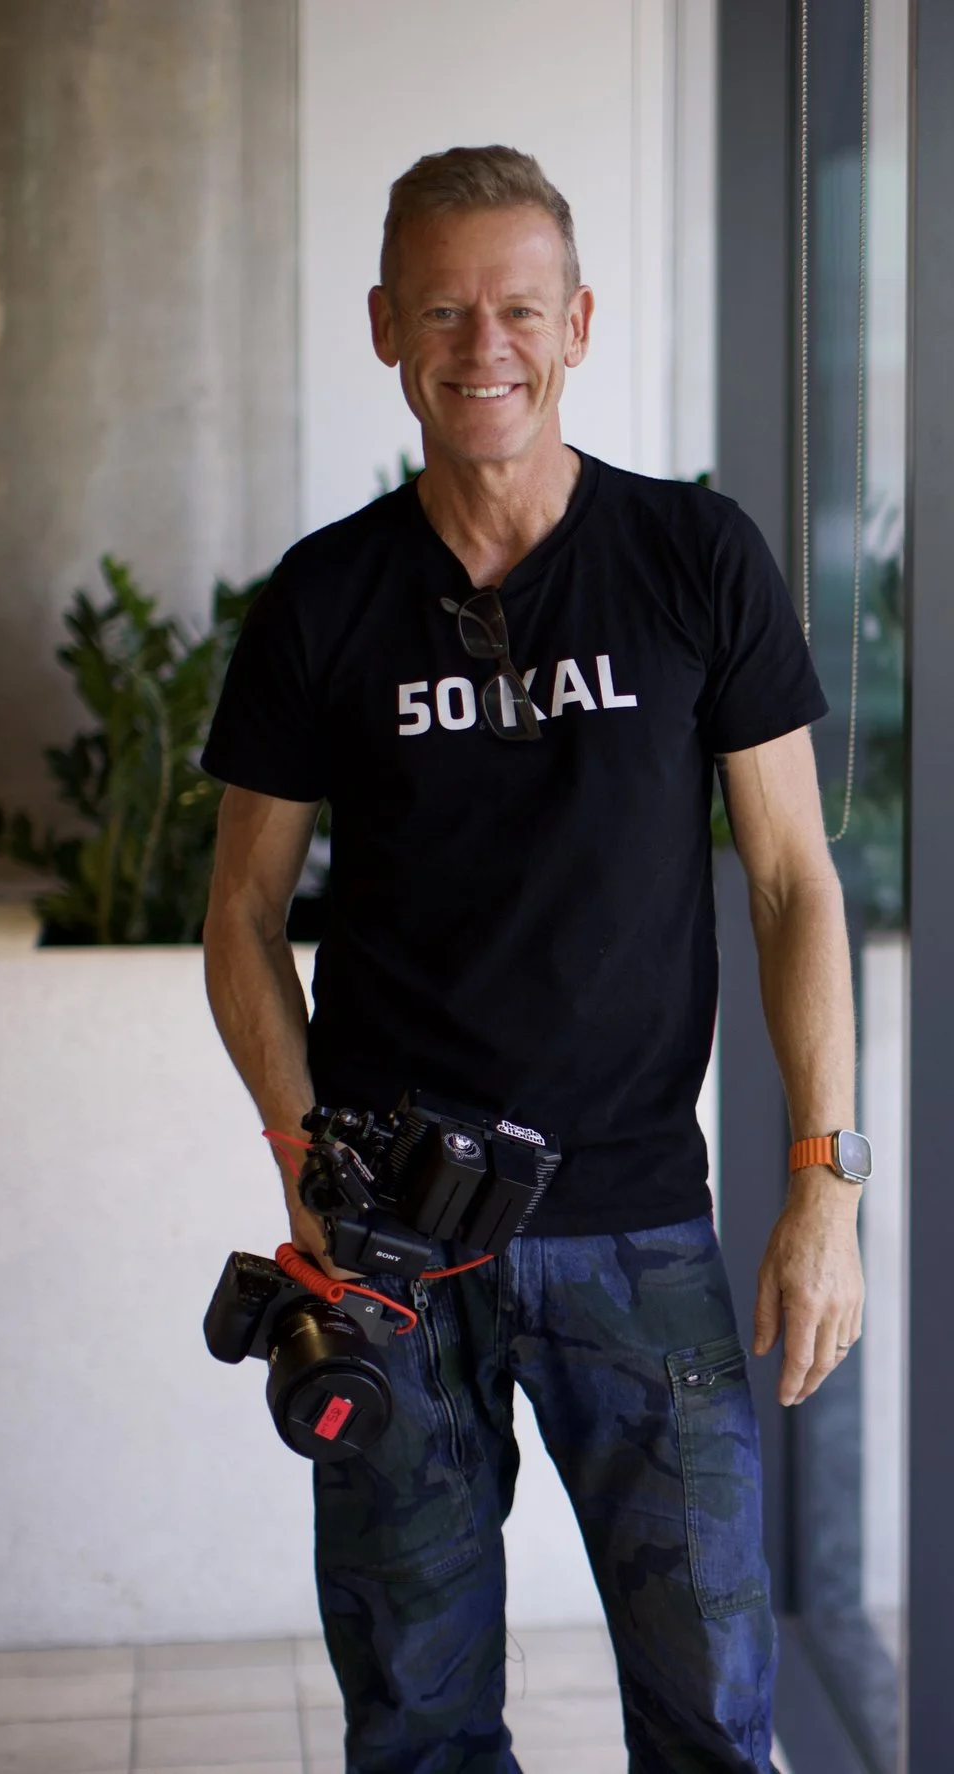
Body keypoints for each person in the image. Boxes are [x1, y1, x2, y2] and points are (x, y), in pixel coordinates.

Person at [199, 144, 863, 1773]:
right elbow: (241, 916)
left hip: (638, 1223)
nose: (480, 343)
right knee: (416, 1722)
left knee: (715, 1715)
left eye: (515, 307)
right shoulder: (324, 600)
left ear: (577, 323)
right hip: (390, 1248)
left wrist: (825, 1185)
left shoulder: (696, 558)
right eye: (441, 308)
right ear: (385, 327)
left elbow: (793, 880)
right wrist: (302, 1163)